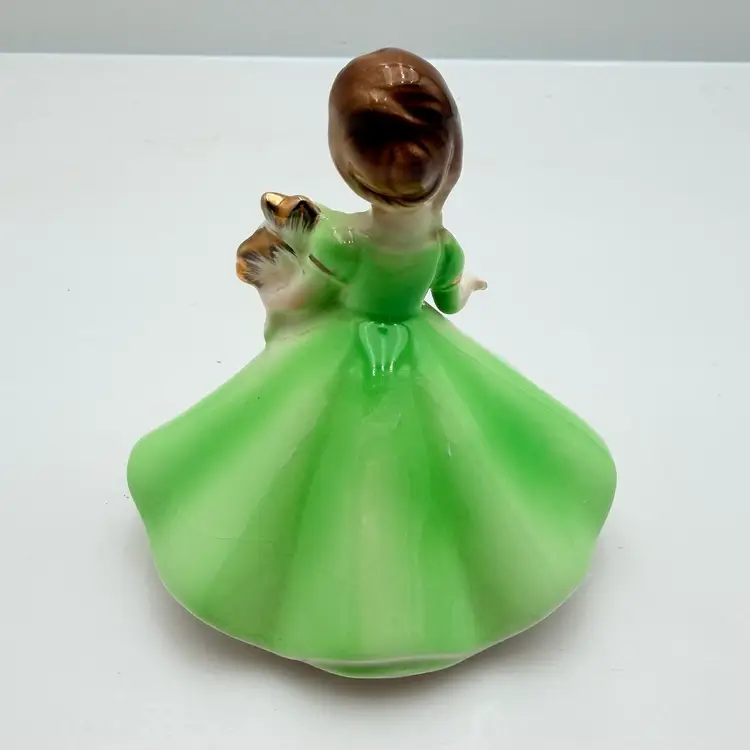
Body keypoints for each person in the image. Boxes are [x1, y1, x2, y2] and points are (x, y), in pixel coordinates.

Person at [128, 48, 616, 678]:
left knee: (306, 462)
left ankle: (329, 603)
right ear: (452, 159)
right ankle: (437, 600)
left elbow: (307, 265)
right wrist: (467, 288)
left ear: (348, 166)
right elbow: (449, 297)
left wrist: (284, 265)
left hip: (342, 354)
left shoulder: (344, 239)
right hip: (417, 348)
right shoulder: (441, 244)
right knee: (451, 467)